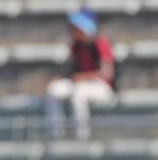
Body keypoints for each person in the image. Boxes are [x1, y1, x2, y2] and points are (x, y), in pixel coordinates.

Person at [46, 9, 116, 140]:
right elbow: (73, 69)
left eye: (77, 27)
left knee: (79, 93)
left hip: (102, 87)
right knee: (54, 89)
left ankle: (82, 136)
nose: (74, 31)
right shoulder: (76, 45)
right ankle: (56, 133)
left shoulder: (100, 43)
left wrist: (82, 77)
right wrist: (64, 77)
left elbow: (107, 73)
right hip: (81, 83)